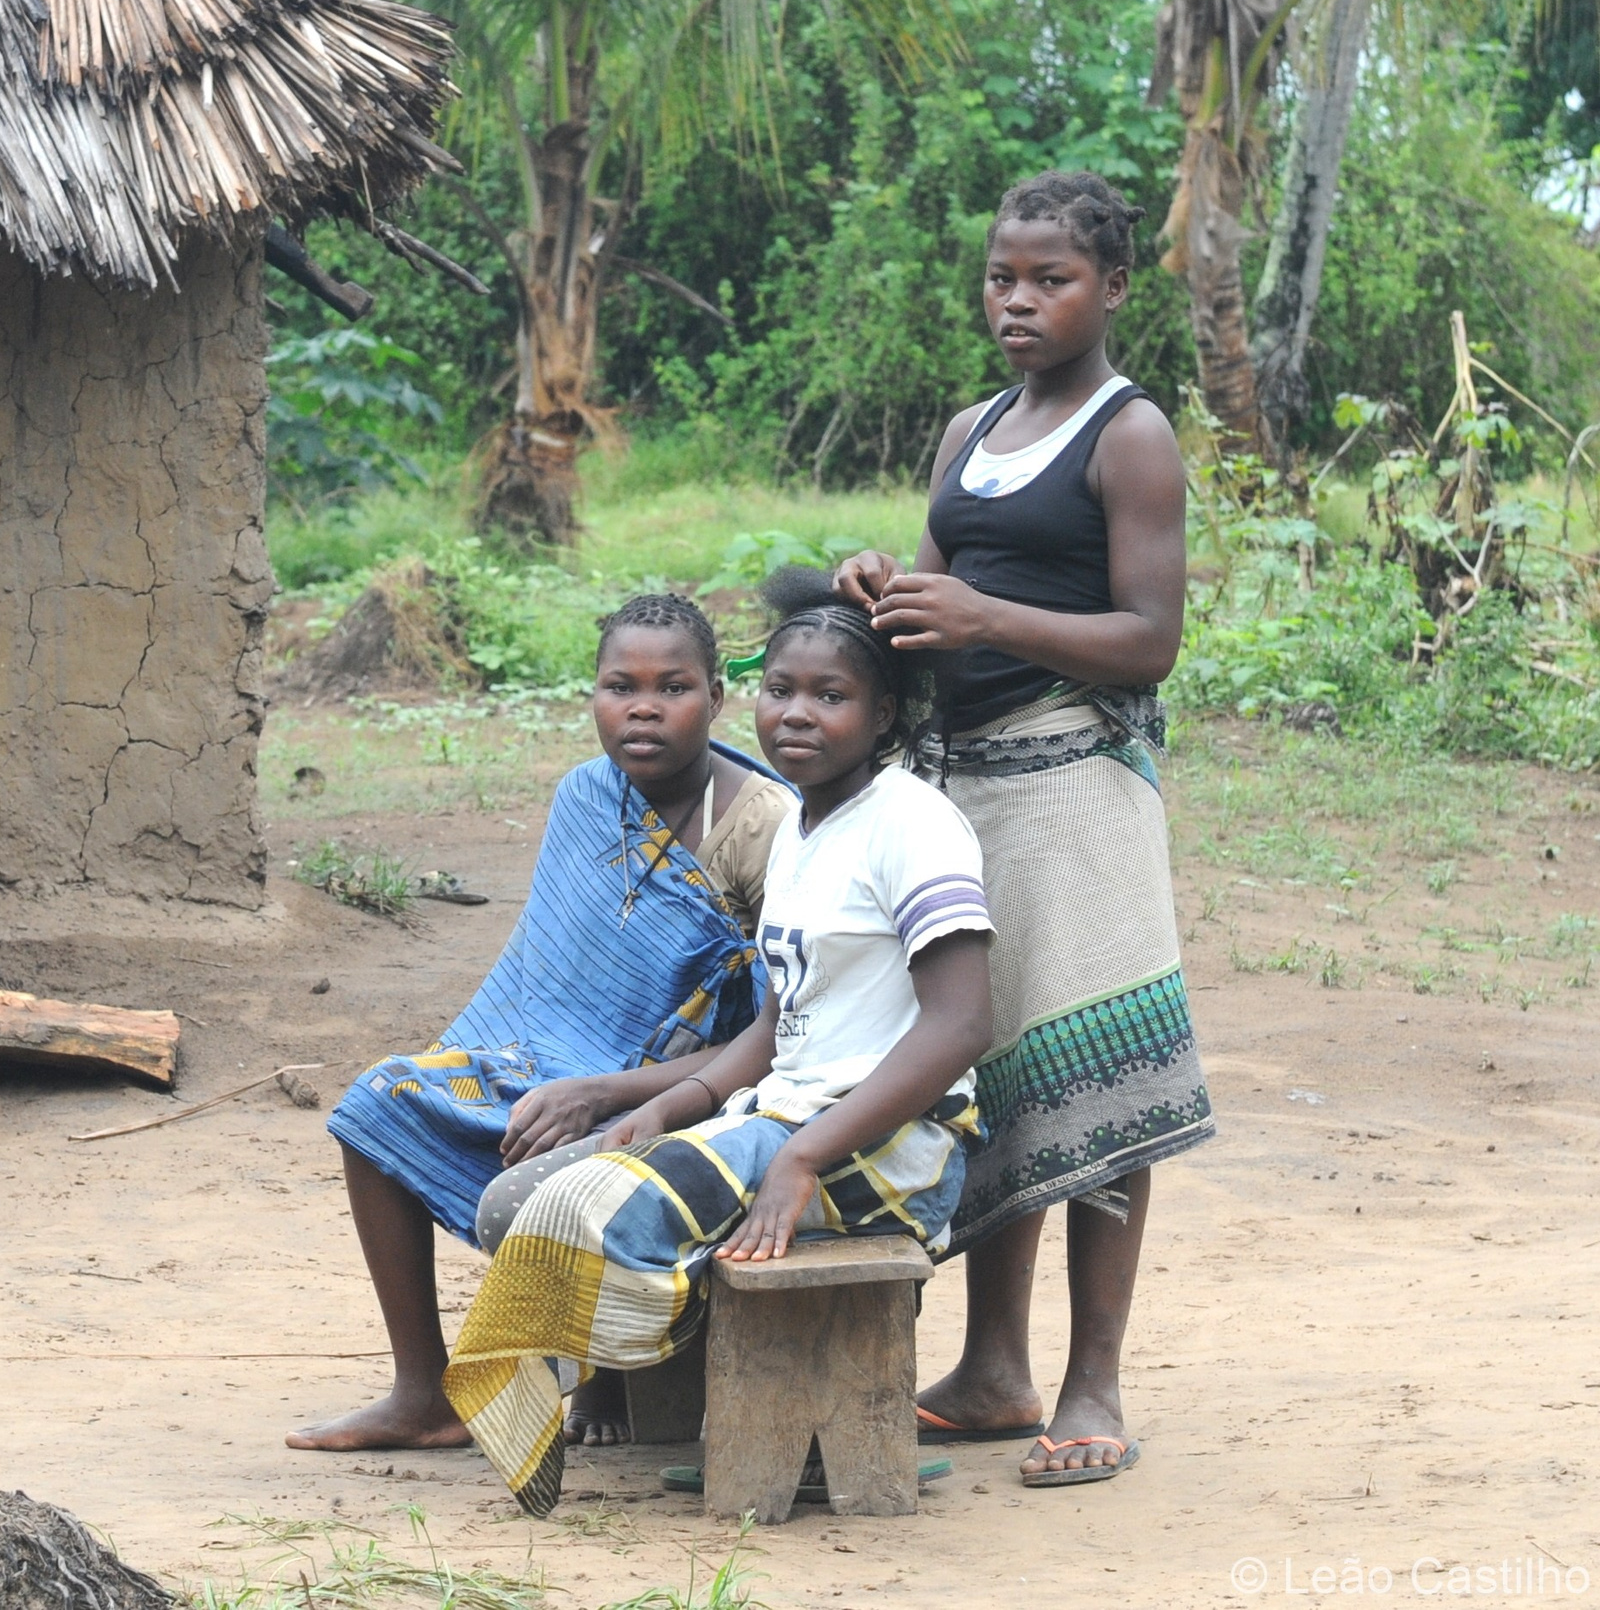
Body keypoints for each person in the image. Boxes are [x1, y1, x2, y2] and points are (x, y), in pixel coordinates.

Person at [445, 568, 994, 1516]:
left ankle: (752, 1416)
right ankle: (696, 1395)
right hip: (778, 1116)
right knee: (516, 1204)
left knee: (589, 1217)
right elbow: (780, 1026)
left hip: (889, 1148)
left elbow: (960, 1023)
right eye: (782, 689)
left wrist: (805, 1157)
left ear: (887, 712)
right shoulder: (803, 829)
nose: (798, 715)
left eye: (832, 696)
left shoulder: (913, 823)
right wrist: (663, 1107)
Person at [833, 168, 1215, 1489]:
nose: (1019, 300)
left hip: (1078, 793)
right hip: (964, 785)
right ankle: (993, 1365)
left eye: (1050, 279)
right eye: (1004, 276)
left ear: (1112, 288)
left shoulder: (1130, 434)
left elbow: (1150, 640)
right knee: (986, 1071)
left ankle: (1091, 1378)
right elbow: (951, 569)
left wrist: (984, 619)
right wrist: (888, 584)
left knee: (1096, 1079)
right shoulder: (969, 428)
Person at [286, 594, 792, 1452]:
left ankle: (597, 1367)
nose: (642, 706)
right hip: (551, 1064)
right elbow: (546, 977)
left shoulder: (766, 826)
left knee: (572, 1164)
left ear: (716, 694)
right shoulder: (586, 797)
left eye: (672, 686)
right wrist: (551, 1078)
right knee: (378, 1103)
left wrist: (599, 1090)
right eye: (618, 685)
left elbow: (776, 1033)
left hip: (695, 1093)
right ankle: (426, 1391)